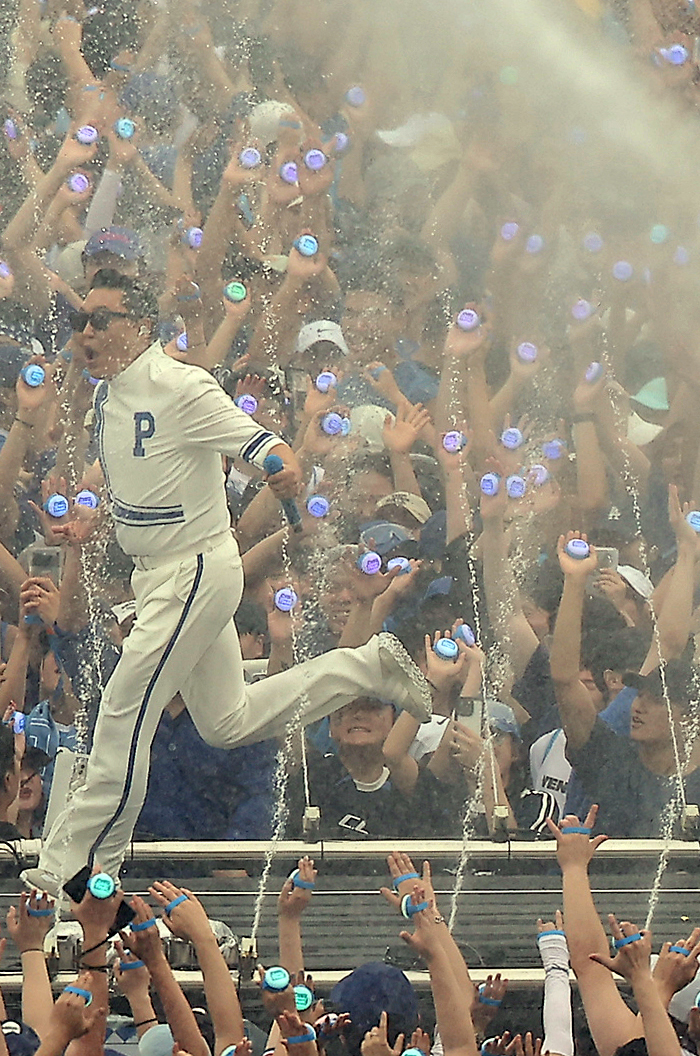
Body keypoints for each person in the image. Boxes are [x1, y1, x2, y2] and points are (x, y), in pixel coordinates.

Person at [28, 268, 432, 893]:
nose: (87, 332)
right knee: (226, 722)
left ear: (138, 328)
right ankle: (366, 668)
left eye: (102, 319)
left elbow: (262, 446)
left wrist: (281, 464)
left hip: (193, 569)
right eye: (83, 319)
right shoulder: (107, 396)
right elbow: (144, 482)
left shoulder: (182, 385)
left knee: (122, 708)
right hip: (156, 574)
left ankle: (73, 870)